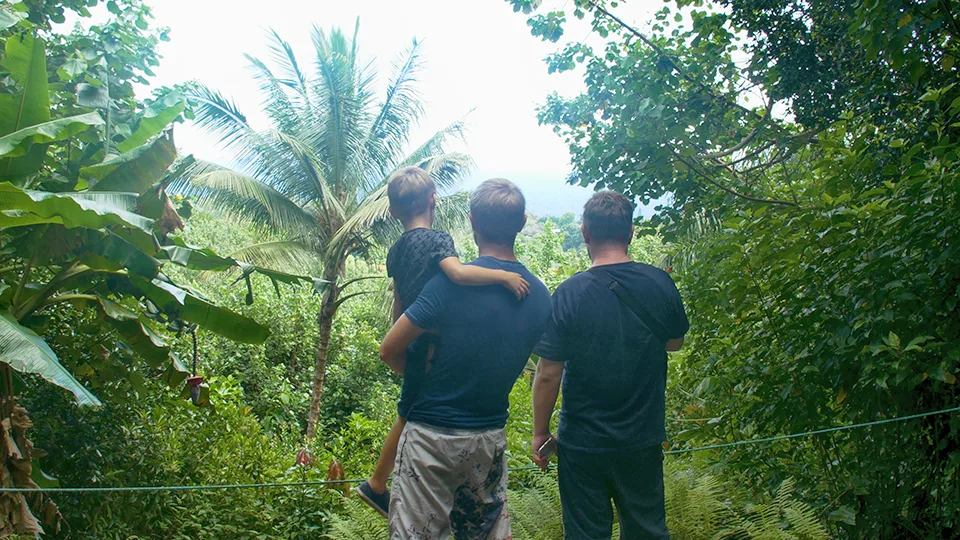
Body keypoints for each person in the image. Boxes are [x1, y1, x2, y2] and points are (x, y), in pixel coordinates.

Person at [378, 178, 552, 539]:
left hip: (430, 438)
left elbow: (388, 349)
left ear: (471, 220)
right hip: (488, 437)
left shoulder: (447, 286)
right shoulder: (539, 296)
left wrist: (418, 378)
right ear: (522, 223)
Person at [531, 190, 689, 540]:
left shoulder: (569, 293)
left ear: (585, 233)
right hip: (642, 437)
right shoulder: (659, 282)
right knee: (647, 532)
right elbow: (675, 342)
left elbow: (548, 374)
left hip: (582, 441)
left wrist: (540, 432)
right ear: (631, 232)